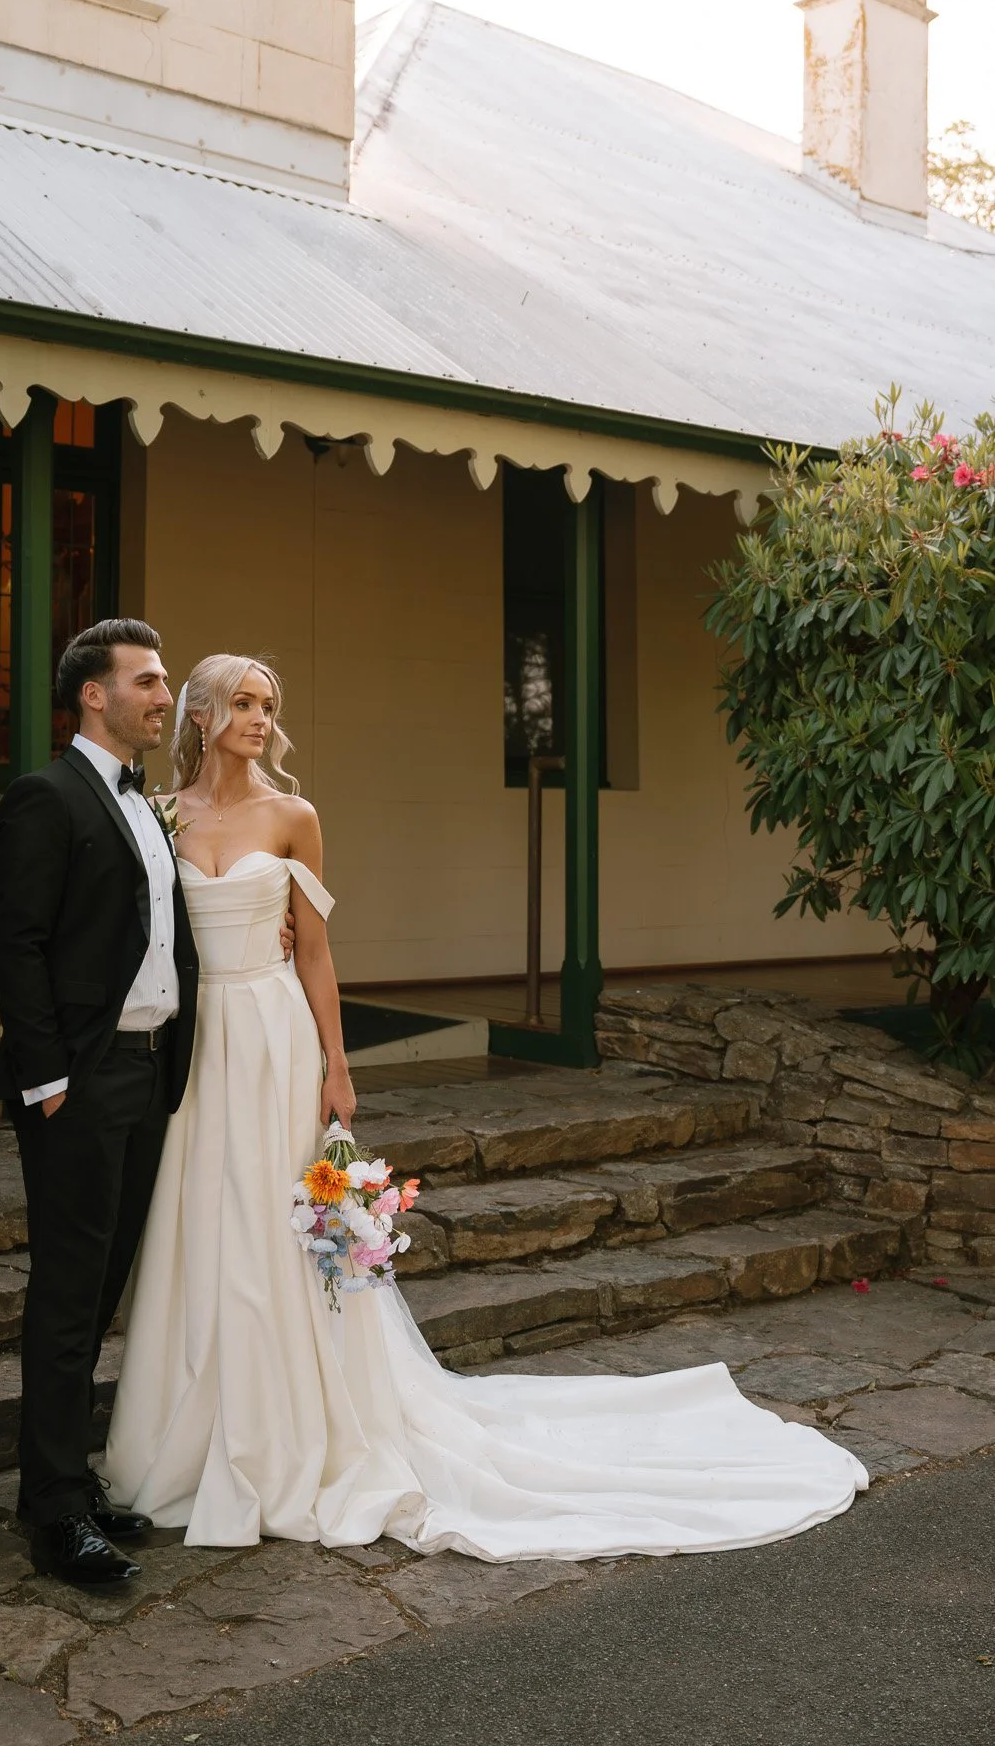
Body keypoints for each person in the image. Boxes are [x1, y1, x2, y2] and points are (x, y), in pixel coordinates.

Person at [105, 653, 868, 1561]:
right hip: (199, 1048)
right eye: (242, 703)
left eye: (269, 705)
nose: (261, 719)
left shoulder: (294, 816)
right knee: (204, 1218)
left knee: (276, 1223)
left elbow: (314, 951)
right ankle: (197, 1420)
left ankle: (288, 1429)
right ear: (200, 716)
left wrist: (337, 1065)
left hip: (275, 1040)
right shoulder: (160, 818)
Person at [0, 618, 299, 1586]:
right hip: (78, 1082)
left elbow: (168, 935)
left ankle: (76, 1482)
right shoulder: (47, 795)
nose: (164, 698)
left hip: (153, 1073)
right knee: (70, 1295)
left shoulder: (145, 804)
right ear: (95, 693)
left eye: (165, 683)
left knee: (108, 1286)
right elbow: (16, 942)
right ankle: (52, 1510)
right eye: (149, 682)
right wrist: (47, 1078)